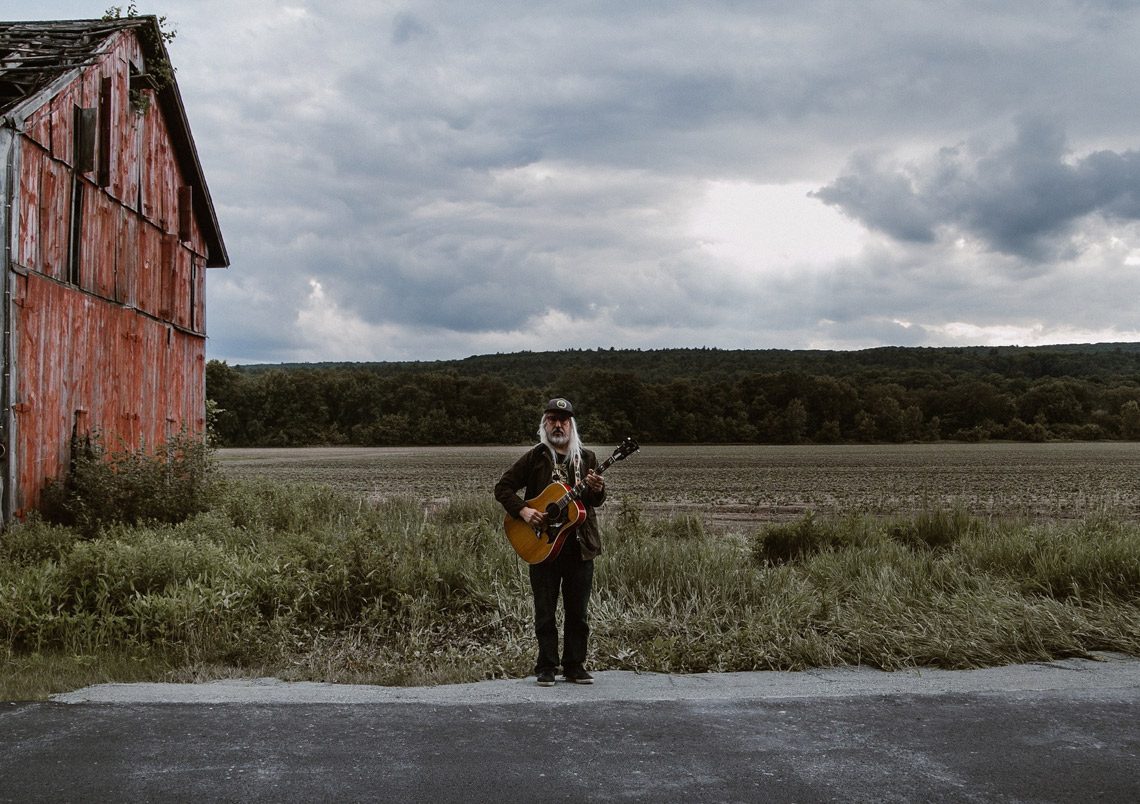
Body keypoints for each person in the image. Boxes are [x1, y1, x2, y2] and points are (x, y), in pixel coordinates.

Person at [494, 397, 606, 686]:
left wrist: (598, 489)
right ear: (544, 424)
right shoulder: (535, 457)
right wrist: (523, 510)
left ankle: (574, 665)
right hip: (542, 545)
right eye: (553, 419)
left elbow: (593, 502)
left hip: (579, 546)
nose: (558, 424)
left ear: (571, 425)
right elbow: (503, 487)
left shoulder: (588, 458)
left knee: (578, 612)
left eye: (564, 420)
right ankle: (546, 666)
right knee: (545, 611)